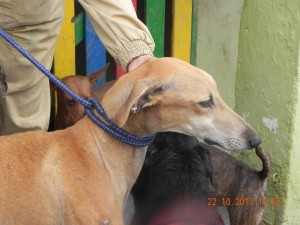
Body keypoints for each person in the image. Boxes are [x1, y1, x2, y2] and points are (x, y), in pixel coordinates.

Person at [0, 0, 155, 135]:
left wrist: (135, 49)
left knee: (21, 133)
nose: (82, 114)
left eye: (86, 100)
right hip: (23, 18)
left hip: (25, 22)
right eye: (72, 102)